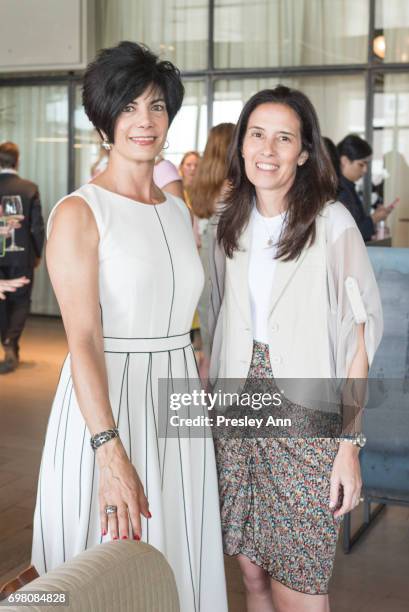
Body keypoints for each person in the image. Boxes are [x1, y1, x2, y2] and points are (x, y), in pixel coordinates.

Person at [31, 41, 228, 612]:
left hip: (177, 398)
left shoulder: (178, 211)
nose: (145, 121)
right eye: (128, 107)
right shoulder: (80, 212)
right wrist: (108, 451)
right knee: (107, 565)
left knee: (181, 548)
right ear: (104, 119)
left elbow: (184, 317)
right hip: (108, 405)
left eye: (157, 106)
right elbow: (83, 339)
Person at [209, 87, 383, 612]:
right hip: (237, 411)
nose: (268, 149)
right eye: (257, 135)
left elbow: (360, 337)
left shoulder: (331, 224)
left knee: (301, 586)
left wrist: (349, 447)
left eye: (284, 138)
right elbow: (216, 318)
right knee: (252, 574)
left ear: (304, 152)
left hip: (307, 418)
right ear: (241, 146)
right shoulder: (226, 222)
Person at [190, 124, 235, 381]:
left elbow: (196, 236)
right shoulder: (233, 189)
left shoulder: (200, 187)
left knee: (208, 348)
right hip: (225, 272)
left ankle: (203, 415)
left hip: (203, 272)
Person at [0, 141, 45, 373]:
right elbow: (36, 227)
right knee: (20, 299)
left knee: (2, 299)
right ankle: (11, 341)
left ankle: (7, 342)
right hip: (21, 255)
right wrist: (37, 252)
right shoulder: (29, 188)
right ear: (17, 161)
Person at [337, 134, 393, 241]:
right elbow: (351, 235)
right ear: (344, 161)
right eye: (361, 165)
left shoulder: (348, 187)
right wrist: (374, 219)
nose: (365, 170)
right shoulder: (339, 191)